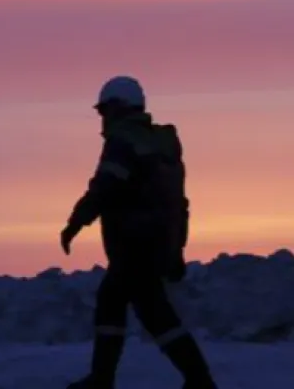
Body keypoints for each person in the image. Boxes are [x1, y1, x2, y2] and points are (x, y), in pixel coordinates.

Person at [60, 76, 217, 389]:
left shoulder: (123, 141)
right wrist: (176, 250)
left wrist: (75, 222)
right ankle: (108, 378)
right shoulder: (163, 146)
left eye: (105, 110)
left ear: (119, 107)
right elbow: (179, 203)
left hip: (133, 244)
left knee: (139, 308)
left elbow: (105, 186)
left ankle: (196, 380)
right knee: (130, 305)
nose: (102, 119)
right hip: (157, 244)